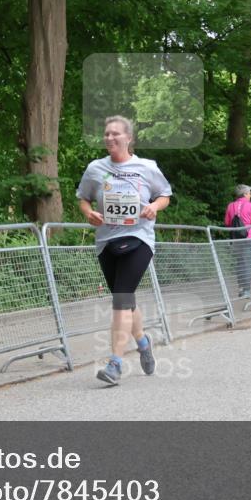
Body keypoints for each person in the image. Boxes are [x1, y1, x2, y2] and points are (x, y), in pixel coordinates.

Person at [76, 116, 171, 386]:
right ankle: (143, 341)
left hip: (139, 238)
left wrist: (155, 206)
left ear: (128, 138)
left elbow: (164, 194)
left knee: (121, 299)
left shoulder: (146, 167)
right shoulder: (95, 168)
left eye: (115, 134)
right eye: (106, 134)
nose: (109, 138)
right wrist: (89, 213)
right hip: (107, 242)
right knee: (125, 299)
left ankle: (115, 364)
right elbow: (83, 198)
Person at [224, 184, 251, 298]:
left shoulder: (231, 206)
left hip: (236, 239)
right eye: (249, 192)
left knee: (240, 263)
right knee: (247, 264)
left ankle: (241, 288)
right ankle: (246, 290)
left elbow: (227, 222)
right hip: (249, 238)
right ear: (245, 194)